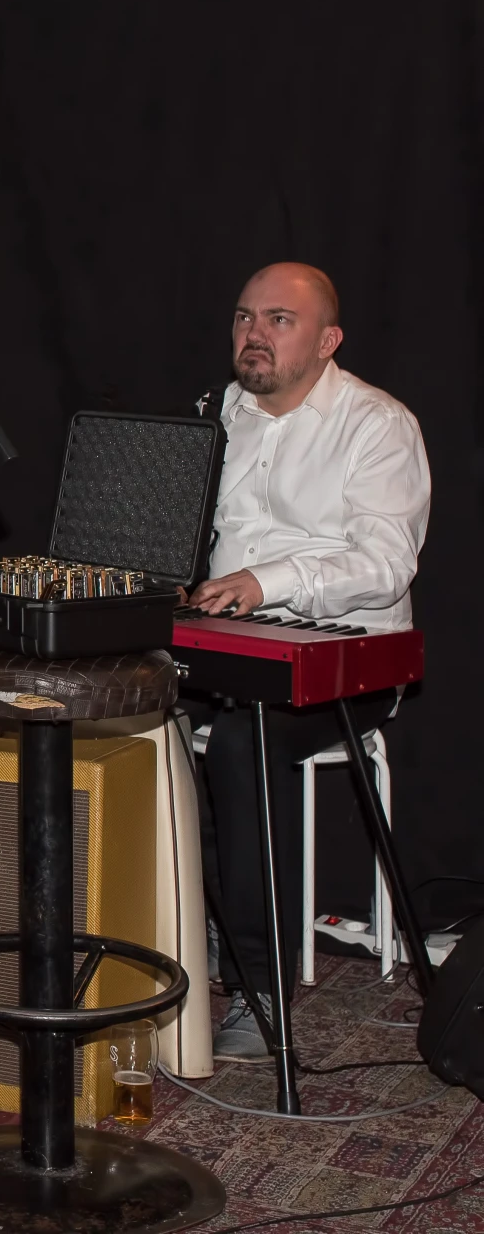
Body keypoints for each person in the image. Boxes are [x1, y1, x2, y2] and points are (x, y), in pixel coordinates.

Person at [186, 262, 429, 1061]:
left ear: (328, 341)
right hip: (223, 641)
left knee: (242, 743)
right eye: (245, 316)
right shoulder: (222, 411)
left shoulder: (376, 424)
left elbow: (386, 566)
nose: (254, 333)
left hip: (348, 656)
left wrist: (270, 584)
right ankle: (159, 941)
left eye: (279, 320)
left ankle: (259, 990)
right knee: (90, 706)